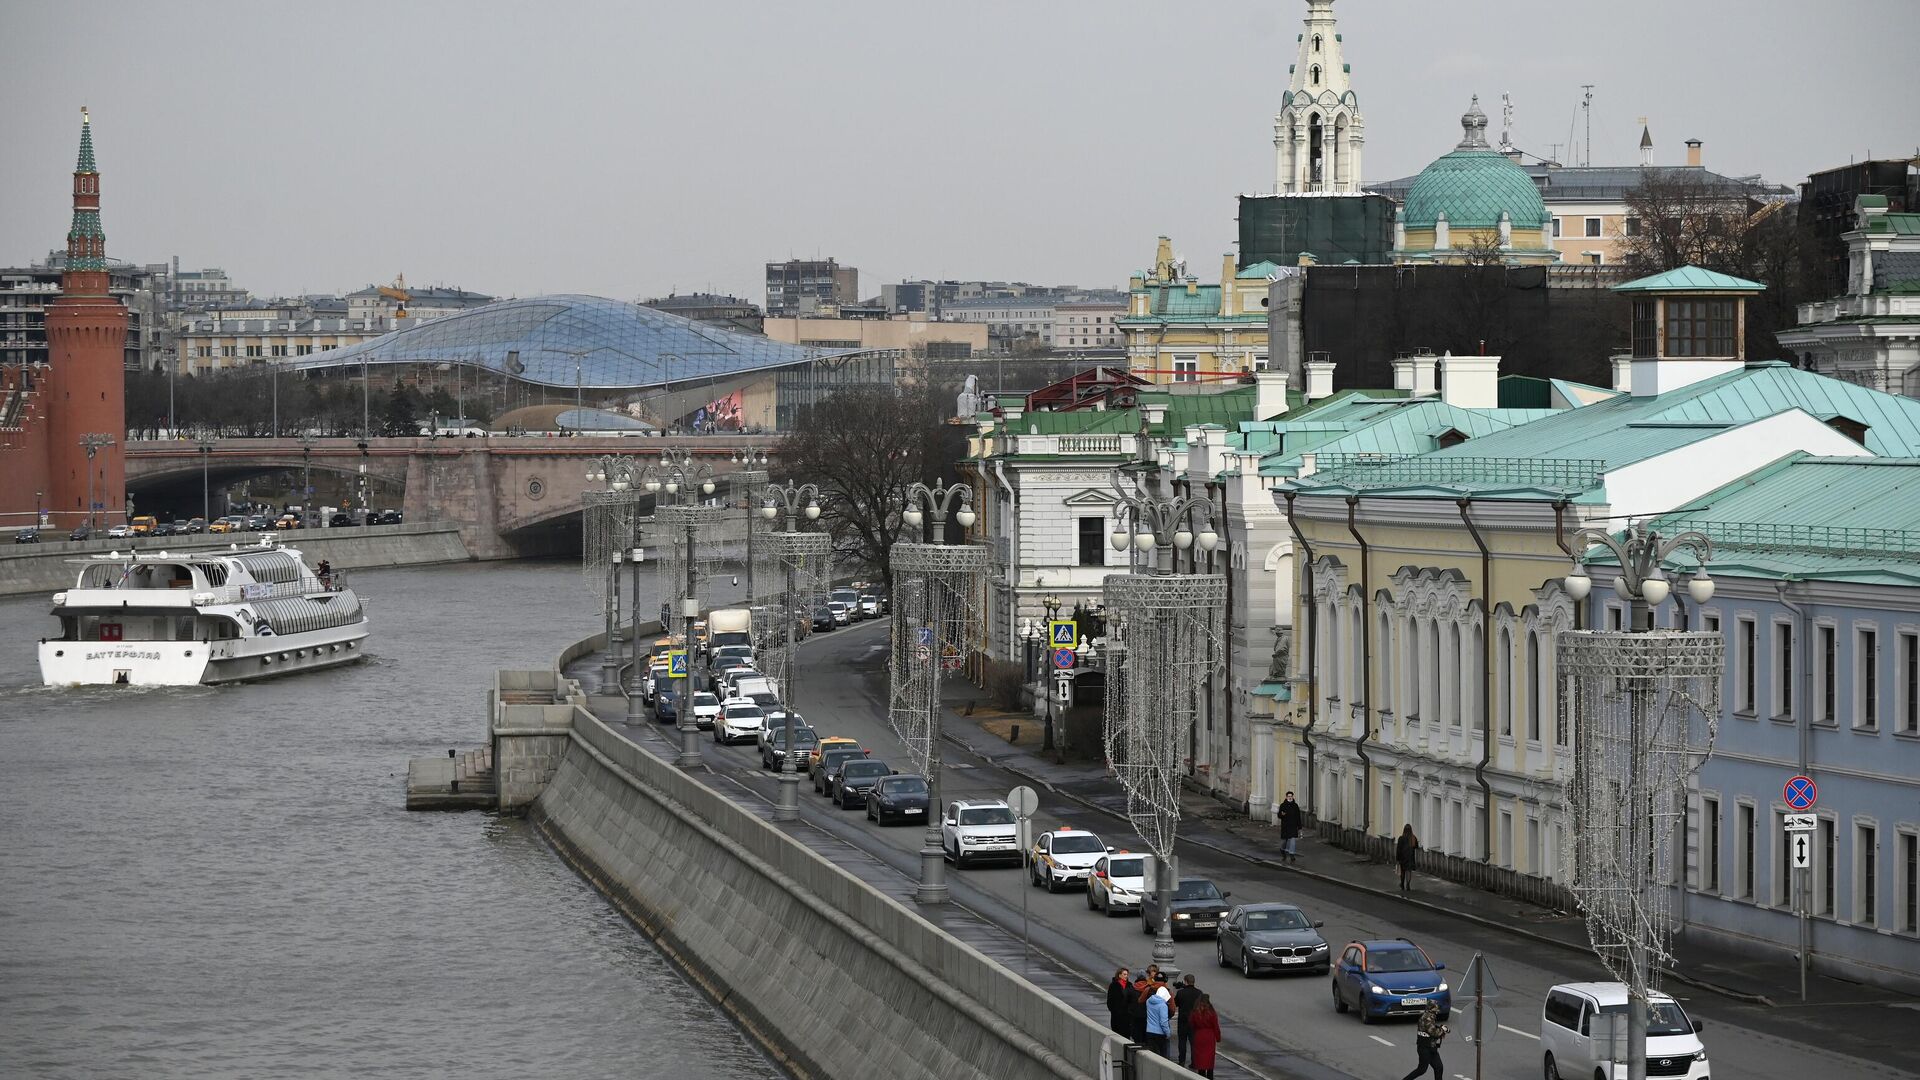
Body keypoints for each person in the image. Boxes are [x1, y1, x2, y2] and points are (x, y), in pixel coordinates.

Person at [1399, 1002, 1449, 1080]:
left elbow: (1430, 1030)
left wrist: (1440, 1029)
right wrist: (1443, 1030)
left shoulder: (1429, 1017)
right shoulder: (1427, 1018)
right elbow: (1434, 1032)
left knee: (1439, 1067)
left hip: (1431, 1047)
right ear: (1431, 1009)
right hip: (1424, 1048)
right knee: (1421, 1069)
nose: (1437, 1011)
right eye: (1435, 1010)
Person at [1188, 993, 1221, 1078]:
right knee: (1209, 1060)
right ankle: (1210, 1077)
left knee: (1200, 1060)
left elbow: (1192, 1023)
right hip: (1209, 1037)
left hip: (1199, 1036)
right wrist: (1218, 1037)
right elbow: (1215, 1026)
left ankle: (1201, 1076)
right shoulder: (1211, 1012)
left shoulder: (1195, 1011)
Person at [1173, 973, 1201, 1066]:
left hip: (1183, 1021)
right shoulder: (1199, 993)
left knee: (1182, 1041)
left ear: (1185, 981)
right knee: (1193, 1042)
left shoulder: (1181, 993)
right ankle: (1194, 1062)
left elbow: (1175, 1003)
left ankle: (1182, 1060)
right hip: (1194, 1021)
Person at [1143, 981, 1172, 1057]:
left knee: (1152, 1056)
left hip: (1149, 1031)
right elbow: (1163, 1022)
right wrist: (1168, 1033)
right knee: (1162, 1056)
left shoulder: (1148, 1001)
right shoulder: (1163, 1006)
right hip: (1160, 1034)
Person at [1105, 967, 1132, 1036]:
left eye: (1127, 974)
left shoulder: (1129, 985)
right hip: (1117, 1016)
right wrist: (1114, 1011)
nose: (1126, 976)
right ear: (1119, 975)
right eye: (1124, 974)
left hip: (1127, 1016)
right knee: (1117, 1034)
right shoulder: (1113, 985)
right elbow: (1110, 1000)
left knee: (1126, 1035)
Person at [1278, 791, 1303, 863]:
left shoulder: (1295, 806)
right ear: (1286, 797)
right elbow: (1279, 815)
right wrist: (1282, 814)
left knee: (1293, 840)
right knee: (1284, 842)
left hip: (1293, 826)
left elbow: (1298, 817)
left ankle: (1292, 855)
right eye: (1288, 796)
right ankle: (1282, 850)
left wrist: (1300, 827)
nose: (1290, 797)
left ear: (1292, 797)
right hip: (1285, 827)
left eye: (1291, 796)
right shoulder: (1283, 805)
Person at [1396, 824, 1420, 892]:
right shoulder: (1413, 838)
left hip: (1402, 857)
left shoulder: (1401, 838)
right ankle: (1408, 884)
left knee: (1403, 871)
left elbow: (1398, 849)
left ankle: (1402, 884)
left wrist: (1397, 859)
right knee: (1409, 871)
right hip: (1410, 857)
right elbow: (1416, 847)